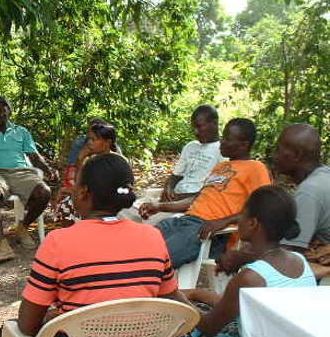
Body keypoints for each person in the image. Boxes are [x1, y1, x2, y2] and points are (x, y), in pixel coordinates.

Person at [5, 153, 188, 337]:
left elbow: (27, 327)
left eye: (76, 185)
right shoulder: (153, 238)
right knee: (107, 332)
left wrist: (59, 318)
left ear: (85, 194)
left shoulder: (58, 242)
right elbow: (172, 301)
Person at [165, 185, 316, 337]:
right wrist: (198, 294)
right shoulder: (299, 262)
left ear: (254, 223)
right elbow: (235, 307)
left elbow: (208, 326)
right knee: (202, 309)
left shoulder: (250, 276)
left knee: (177, 328)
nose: (239, 220)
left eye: (242, 215)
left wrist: (175, 295)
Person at [140, 118, 272, 268]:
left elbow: (263, 208)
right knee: (141, 247)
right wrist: (158, 206)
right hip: (184, 221)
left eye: (227, 139)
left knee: (155, 261)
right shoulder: (221, 166)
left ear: (244, 145)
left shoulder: (255, 168)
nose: (221, 141)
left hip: (207, 231)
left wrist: (224, 221)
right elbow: (197, 199)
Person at [220, 123, 330, 281]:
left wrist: (241, 258)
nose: (273, 154)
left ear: (296, 155)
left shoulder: (309, 191)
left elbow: (288, 255)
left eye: (278, 149)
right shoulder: (324, 175)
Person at [0, 95, 58, 262]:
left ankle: (22, 228)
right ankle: (2, 244)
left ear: (9, 112)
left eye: (2, 110)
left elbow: (33, 156)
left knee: (44, 192)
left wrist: (48, 170)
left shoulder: (21, 131)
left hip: (21, 173)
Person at [120, 104, 224, 224]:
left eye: (199, 127)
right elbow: (175, 176)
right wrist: (168, 189)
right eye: (193, 127)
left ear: (214, 123)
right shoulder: (191, 146)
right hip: (171, 200)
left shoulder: (224, 151)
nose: (196, 132)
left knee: (148, 221)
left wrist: (179, 199)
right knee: (122, 211)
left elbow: (211, 194)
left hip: (189, 206)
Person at [52, 123, 120, 225]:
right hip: (92, 198)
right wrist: (80, 159)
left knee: (72, 204)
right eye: (89, 139)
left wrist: (73, 192)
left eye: (94, 139)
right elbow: (79, 184)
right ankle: (75, 236)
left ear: (107, 142)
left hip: (109, 202)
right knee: (67, 203)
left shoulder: (117, 161)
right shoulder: (91, 159)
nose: (89, 143)